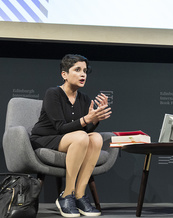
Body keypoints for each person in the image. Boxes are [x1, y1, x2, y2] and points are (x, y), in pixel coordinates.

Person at [30, 54, 112, 217]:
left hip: (69, 139)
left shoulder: (84, 99)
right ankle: (66, 195)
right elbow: (60, 128)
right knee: (81, 136)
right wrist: (86, 119)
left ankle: (80, 195)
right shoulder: (53, 93)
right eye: (77, 70)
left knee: (95, 138)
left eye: (85, 71)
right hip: (45, 138)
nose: (83, 74)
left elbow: (84, 132)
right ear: (64, 74)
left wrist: (95, 119)